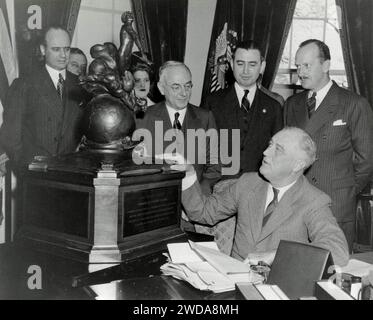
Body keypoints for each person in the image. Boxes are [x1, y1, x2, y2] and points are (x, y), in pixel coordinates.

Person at [168, 127, 349, 267]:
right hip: (234, 283)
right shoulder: (248, 183)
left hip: (277, 288)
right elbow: (203, 213)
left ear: (298, 165)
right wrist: (189, 174)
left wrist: (277, 254)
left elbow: (337, 250)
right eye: (270, 144)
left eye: (278, 149)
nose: (265, 152)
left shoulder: (313, 201)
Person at [284, 39, 373, 251]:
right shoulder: (291, 105)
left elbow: (366, 159)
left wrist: (346, 191)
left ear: (325, 66)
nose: (301, 72)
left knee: (332, 273)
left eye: (307, 65)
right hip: (296, 205)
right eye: (298, 66)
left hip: (335, 206)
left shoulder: (354, 104)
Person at [0, 25, 86, 172]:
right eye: (56, 49)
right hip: (35, 175)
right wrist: (27, 164)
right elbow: (11, 135)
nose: (63, 55)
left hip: (71, 174)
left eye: (66, 49)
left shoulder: (81, 85)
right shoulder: (24, 84)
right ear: (43, 49)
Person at [136, 61, 221, 195]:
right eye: (176, 87)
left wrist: (198, 199)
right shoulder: (142, 118)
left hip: (194, 204)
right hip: (154, 204)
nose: (184, 93)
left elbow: (214, 169)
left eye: (188, 86)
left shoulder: (205, 118)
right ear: (161, 88)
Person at [201, 40, 283, 179]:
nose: (245, 71)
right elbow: (202, 150)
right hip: (220, 186)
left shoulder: (273, 106)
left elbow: (279, 153)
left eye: (252, 64)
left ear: (262, 67)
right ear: (232, 64)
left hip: (258, 187)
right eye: (240, 64)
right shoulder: (212, 102)